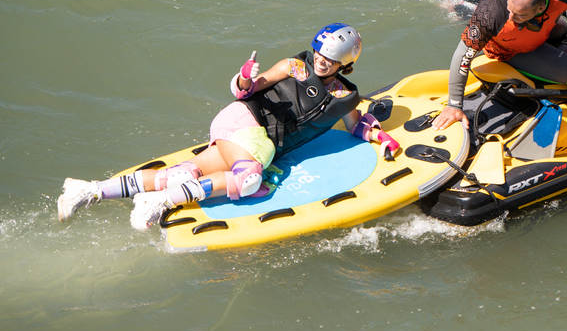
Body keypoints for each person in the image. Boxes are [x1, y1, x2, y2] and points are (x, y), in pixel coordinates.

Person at [57, 23, 398, 229]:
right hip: (244, 123)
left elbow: (356, 126)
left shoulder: (346, 97)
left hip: (252, 140)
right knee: (250, 179)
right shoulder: (294, 66)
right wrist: (244, 77)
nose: (320, 61)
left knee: (180, 174)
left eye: (329, 59)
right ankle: (161, 202)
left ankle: (89, 191)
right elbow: (247, 89)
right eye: (318, 53)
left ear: (346, 63)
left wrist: (379, 136)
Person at [431, 0, 567, 147]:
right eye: (510, 9)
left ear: (540, 7)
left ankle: (554, 30)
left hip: (542, 27)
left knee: (561, 29)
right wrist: (454, 105)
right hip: (512, 49)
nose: (511, 17)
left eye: (519, 14)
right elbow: (463, 55)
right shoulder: (492, 15)